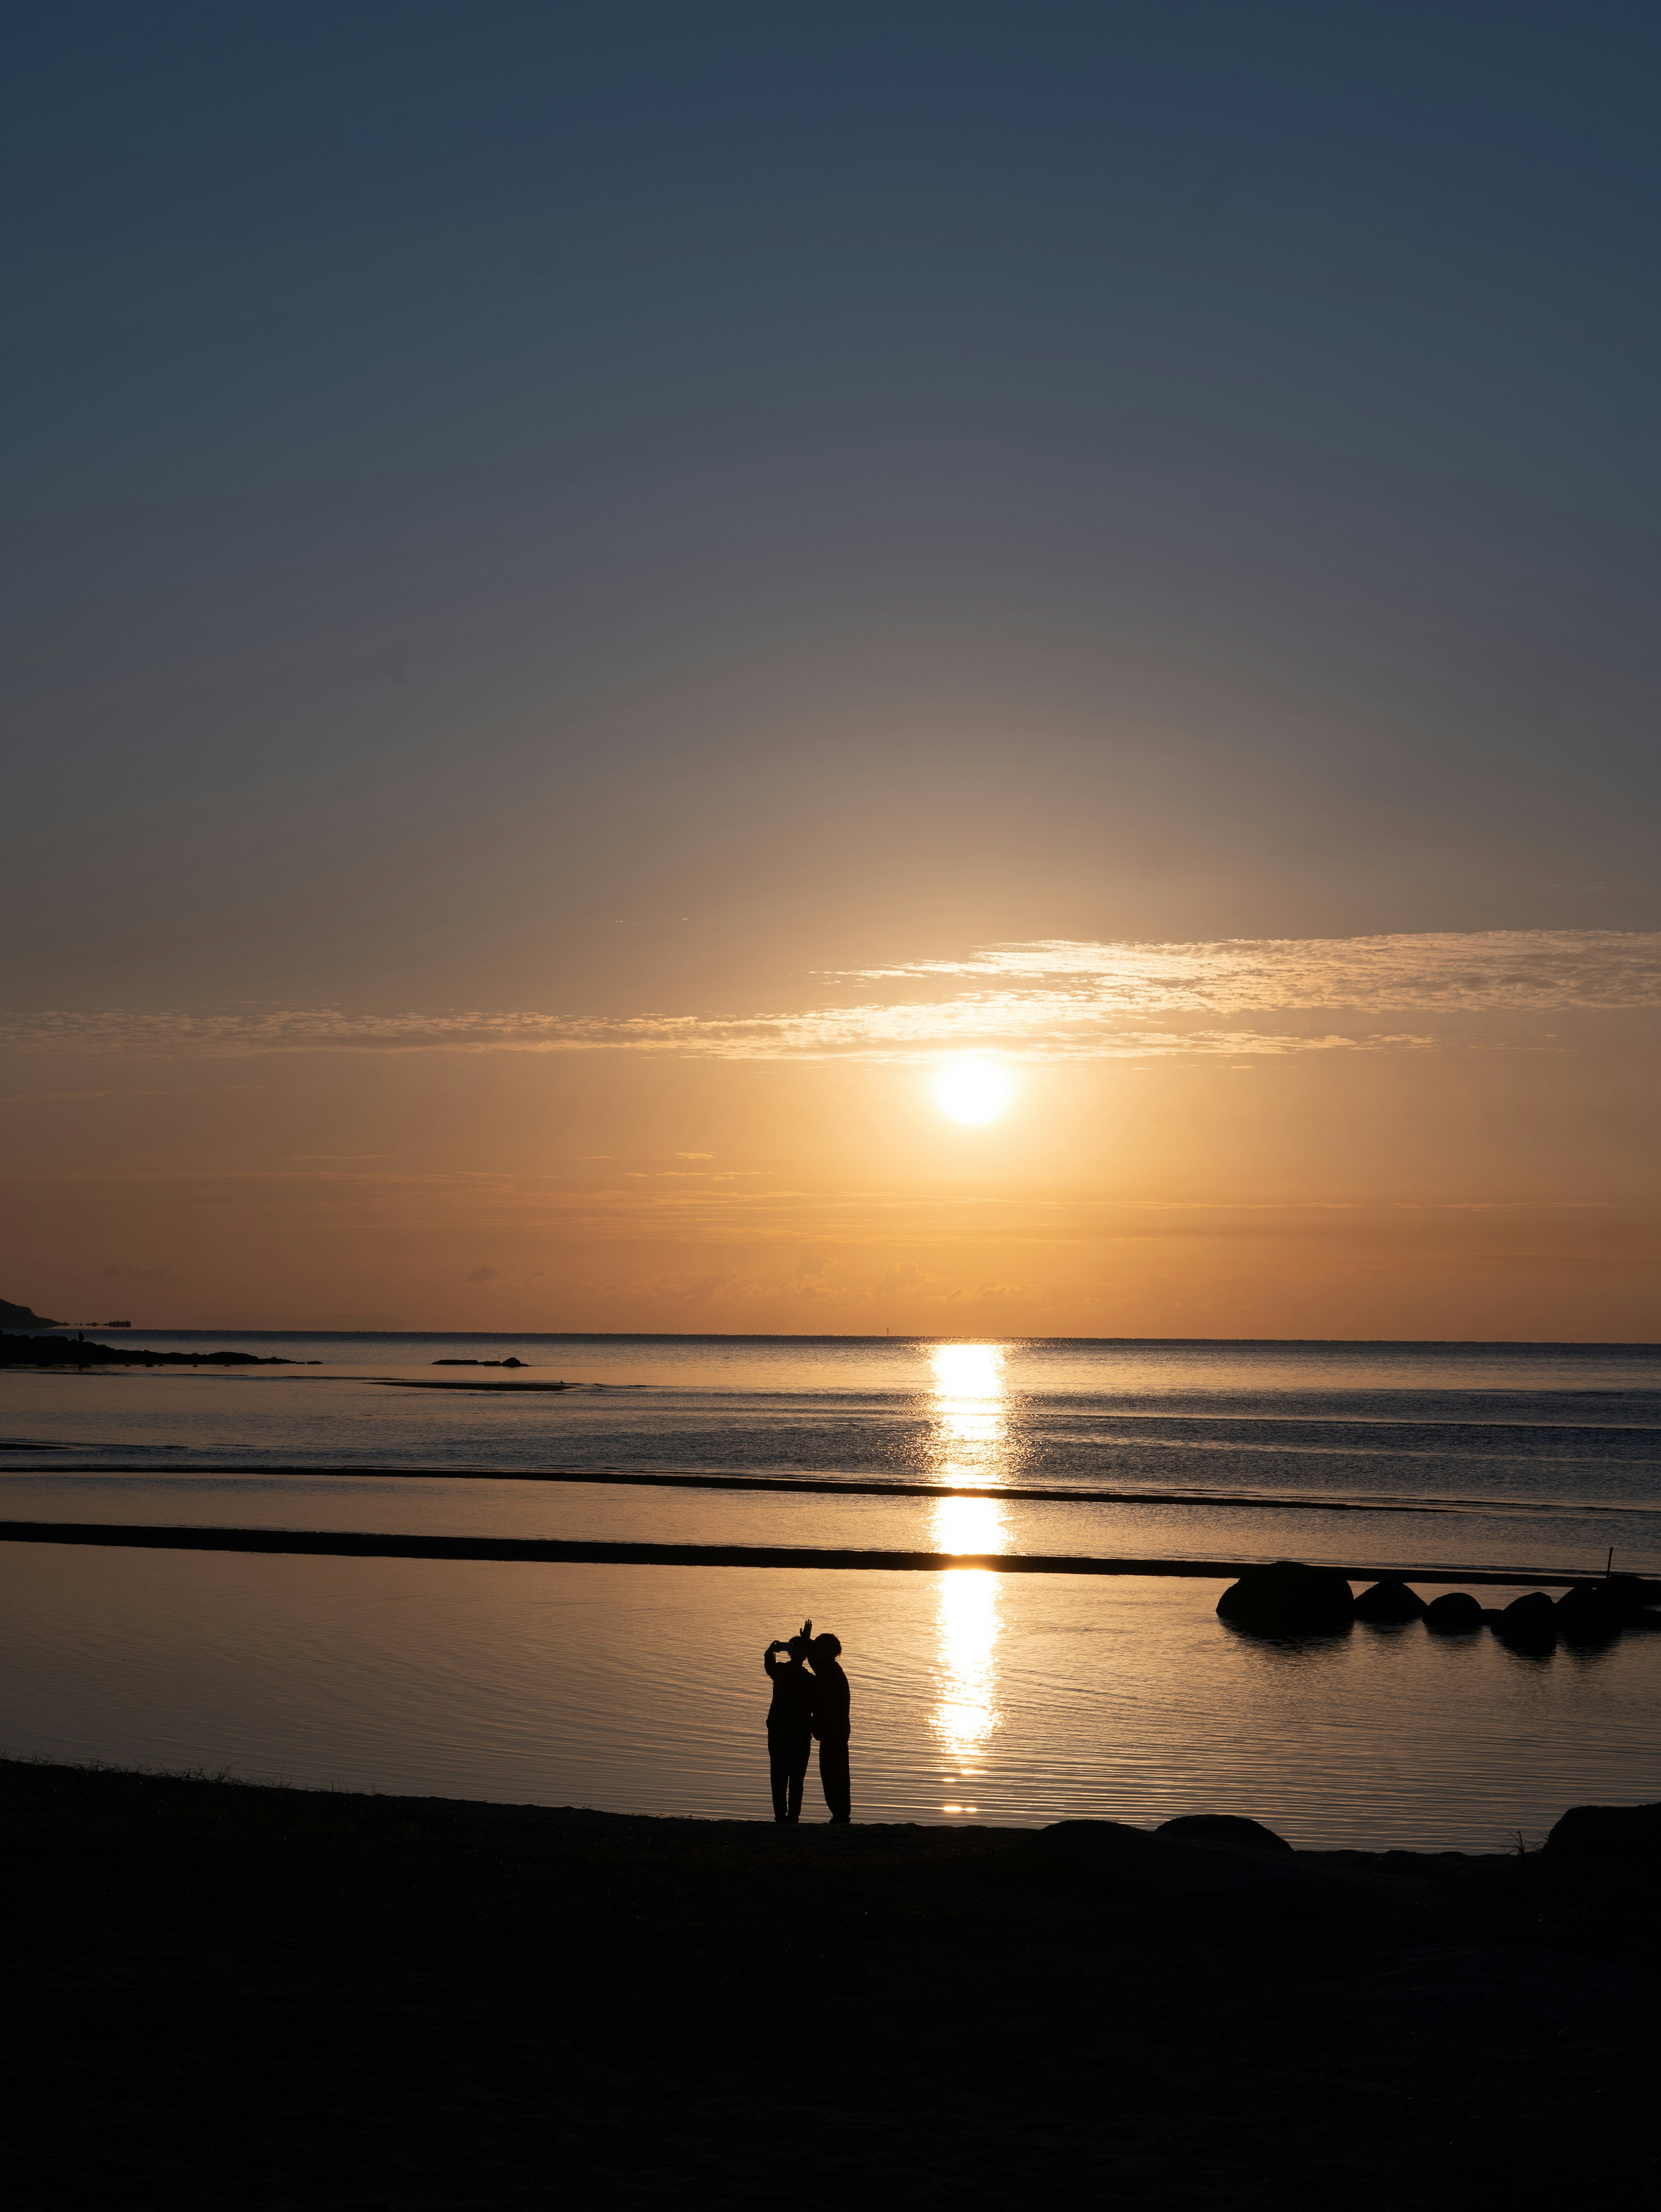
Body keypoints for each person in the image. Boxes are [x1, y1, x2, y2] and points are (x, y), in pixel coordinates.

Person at [762, 1624, 815, 1823]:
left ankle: (791, 1815)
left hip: (797, 1730)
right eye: (794, 1647)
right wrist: (771, 1651)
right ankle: (783, 1815)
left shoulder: (807, 1678)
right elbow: (769, 1666)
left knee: (793, 1776)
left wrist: (807, 1642)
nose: (798, 1652)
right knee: (782, 1774)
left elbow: (769, 1666)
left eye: (801, 1649)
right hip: (782, 1729)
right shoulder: (782, 1670)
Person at [805, 1631, 851, 1823]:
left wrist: (807, 1642)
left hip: (834, 1732)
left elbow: (814, 1662)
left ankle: (840, 1814)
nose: (816, 1651)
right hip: (836, 1731)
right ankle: (840, 1814)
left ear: (828, 1651)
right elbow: (815, 1661)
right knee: (836, 1772)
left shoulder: (830, 1671)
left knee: (833, 1773)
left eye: (819, 1647)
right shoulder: (832, 1669)